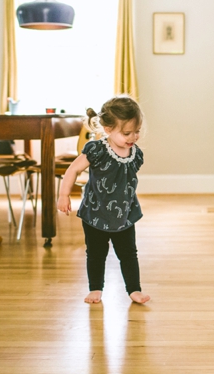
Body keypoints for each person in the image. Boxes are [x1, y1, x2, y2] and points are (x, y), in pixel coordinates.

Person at [57, 95, 150, 305]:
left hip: (124, 214)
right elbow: (73, 170)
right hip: (95, 213)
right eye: (127, 133)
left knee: (128, 254)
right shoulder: (97, 150)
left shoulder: (136, 154)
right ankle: (95, 288)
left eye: (137, 131)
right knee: (96, 254)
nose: (133, 137)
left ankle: (134, 289)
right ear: (108, 129)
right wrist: (64, 195)